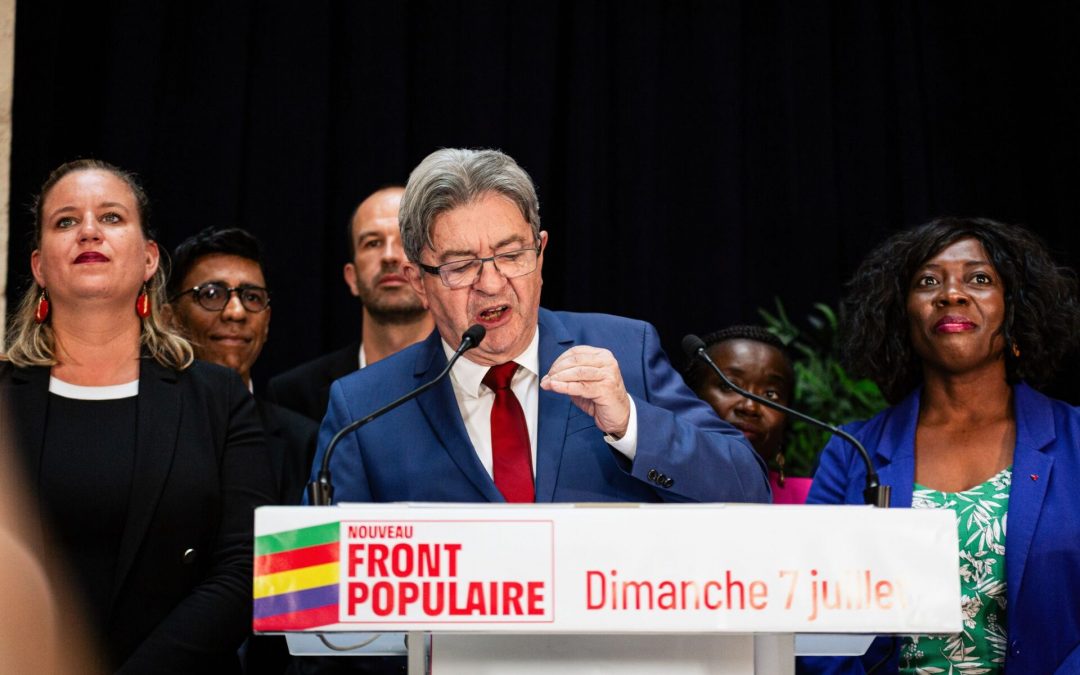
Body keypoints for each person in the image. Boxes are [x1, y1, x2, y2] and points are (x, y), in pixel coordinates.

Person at [310, 148, 770, 505]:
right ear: (418, 282)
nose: (491, 284)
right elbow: (314, 585)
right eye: (461, 265)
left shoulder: (626, 352)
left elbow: (749, 489)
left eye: (512, 255)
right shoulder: (364, 408)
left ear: (541, 254)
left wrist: (632, 424)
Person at [0, 160, 275, 673]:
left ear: (149, 258)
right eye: (66, 221)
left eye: (110, 217)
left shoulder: (217, 398)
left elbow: (247, 570)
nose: (88, 231)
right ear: (39, 267)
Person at [800, 217, 1080, 674]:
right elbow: (812, 613)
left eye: (980, 279)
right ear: (902, 314)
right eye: (928, 281)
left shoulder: (1074, 441)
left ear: (1015, 308)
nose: (951, 293)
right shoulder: (853, 452)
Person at [166, 226, 318, 506]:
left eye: (252, 297)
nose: (236, 312)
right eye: (211, 294)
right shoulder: (147, 425)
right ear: (170, 317)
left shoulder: (305, 442)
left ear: (267, 321)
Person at [267, 186, 434, 423]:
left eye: (406, 241)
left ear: (435, 269)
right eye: (373, 243)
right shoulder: (294, 395)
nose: (389, 256)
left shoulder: (472, 380)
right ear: (351, 277)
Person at [683, 325, 811, 503]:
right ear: (691, 397)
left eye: (770, 394)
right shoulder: (653, 486)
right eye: (728, 386)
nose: (750, 407)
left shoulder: (812, 499)